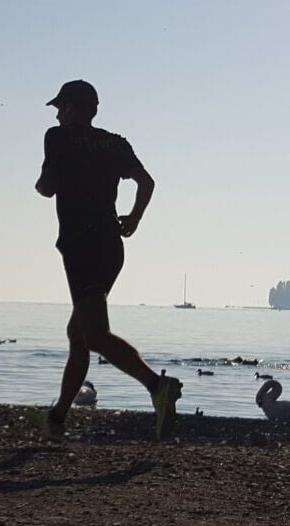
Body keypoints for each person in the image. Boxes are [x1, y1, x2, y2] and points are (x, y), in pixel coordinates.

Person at [32, 79, 182, 438]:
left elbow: (46, 187)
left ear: (73, 108)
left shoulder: (58, 137)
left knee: (94, 334)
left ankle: (156, 387)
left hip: (80, 245)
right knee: (79, 334)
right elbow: (146, 183)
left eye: (60, 107)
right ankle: (56, 419)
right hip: (111, 246)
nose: (56, 114)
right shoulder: (116, 143)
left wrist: (45, 181)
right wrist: (133, 218)